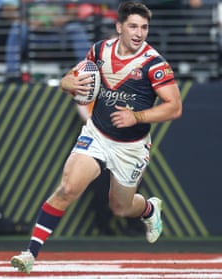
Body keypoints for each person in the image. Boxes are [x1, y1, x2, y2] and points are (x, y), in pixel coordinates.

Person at [10, 1, 182, 274]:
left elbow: (174, 107)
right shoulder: (100, 50)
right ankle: (30, 253)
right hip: (97, 134)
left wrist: (137, 117)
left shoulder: (154, 64)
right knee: (67, 189)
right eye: (133, 26)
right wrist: (67, 83)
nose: (139, 33)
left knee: (121, 207)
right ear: (119, 27)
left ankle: (149, 209)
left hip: (131, 147)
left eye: (144, 27)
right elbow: (74, 76)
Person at [3, 0, 91, 81]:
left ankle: (87, 74)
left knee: (76, 28)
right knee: (17, 28)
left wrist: (48, 21)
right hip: (32, 35)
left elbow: (74, 12)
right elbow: (9, 13)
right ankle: (13, 74)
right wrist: (29, 22)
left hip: (58, 34)